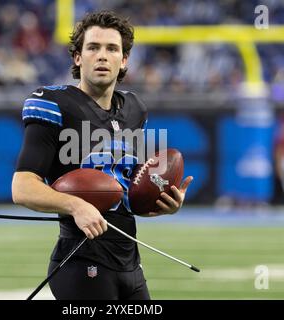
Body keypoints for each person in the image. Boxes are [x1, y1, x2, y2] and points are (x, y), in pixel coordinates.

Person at [12, 11, 193, 300]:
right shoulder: (54, 104)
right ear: (77, 58)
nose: (102, 56)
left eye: (112, 49)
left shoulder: (134, 109)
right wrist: (74, 205)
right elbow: (22, 188)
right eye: (93, 47)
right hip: (81, 262)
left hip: (130, 262)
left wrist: (159, 204)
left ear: (124, 61)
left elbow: (121, 195)